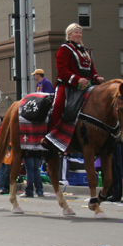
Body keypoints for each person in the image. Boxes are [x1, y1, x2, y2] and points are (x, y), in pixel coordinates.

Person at [44, 23, 104, 152]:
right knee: (58, 105)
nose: (79, 35)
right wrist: (77, 79)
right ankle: (52, 135)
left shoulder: (85, 51)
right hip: (67, 85)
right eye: (76, 32)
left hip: (86, 85)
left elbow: (91, 69)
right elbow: (62, 70)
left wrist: (97, 77)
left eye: (80, 32)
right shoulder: (64, 49)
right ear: (69, 34)